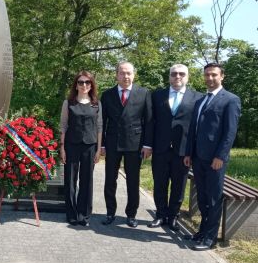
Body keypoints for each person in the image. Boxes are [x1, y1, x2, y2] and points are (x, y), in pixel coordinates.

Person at [184, 63, 241, 251]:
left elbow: (230, 132)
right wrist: (189, 153)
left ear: (222, 76)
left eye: (214, 75)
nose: (209, 78)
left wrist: (220, 156)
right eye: (207, 75)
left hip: (215, 159)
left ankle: (210, 238)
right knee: (202, 196)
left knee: (214, 198)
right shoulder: (201, 101)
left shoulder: (231, 100)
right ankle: (202, 232)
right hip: (198, 157)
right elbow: (193, 129)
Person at [149, 64, 202, 232]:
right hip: (160, 148)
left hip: (183, 151)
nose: (177, 76)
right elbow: (150, 122)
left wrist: (192, 151)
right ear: (169, 76)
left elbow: (198, 127)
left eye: (181, 74)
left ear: (188, 77)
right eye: (174, 74)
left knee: (179, 186)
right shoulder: (157, 95)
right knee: (159, 183)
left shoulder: (198, 98)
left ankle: (173, 217)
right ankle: (160, 215)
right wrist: (148, 144)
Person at [100, 61, 153, 228]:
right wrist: (101, 145)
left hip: (134, 143)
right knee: (110, 179)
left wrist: (147, 144)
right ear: (116, 75)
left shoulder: (144, 93)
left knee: (133, 181)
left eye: (129, 73)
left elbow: (149, 121)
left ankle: (131, 214)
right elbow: (102, 121)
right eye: (122, 73)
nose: (125, 76)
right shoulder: (107, 95)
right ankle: (110, 212)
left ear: (134, 75)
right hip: (112, 143)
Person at [59, 71, 103, 226]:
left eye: (87, 82)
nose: (84, 85)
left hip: (90, 146)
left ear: (91, 85)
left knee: (87, 181)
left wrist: (98, 149)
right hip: (71, 145)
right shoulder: (68, 103)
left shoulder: (96, 104)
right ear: (76, 85)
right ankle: (71, 214)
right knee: (70, 180)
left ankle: (83, 215)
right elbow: (63, 126)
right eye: (81, 82)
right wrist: (62, 148)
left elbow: (99, 127)